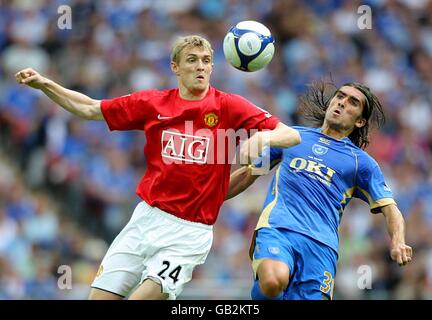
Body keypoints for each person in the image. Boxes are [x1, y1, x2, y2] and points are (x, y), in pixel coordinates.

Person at [14, 35, 301, 300]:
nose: (200, 66)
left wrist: (264, 136)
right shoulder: (153, 103)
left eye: (205, 61)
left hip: (189, 234)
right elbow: (90, 108)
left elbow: (291, 134)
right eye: (192, 60)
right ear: (175, 67)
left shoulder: (230, 107)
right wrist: (45, 84)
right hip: (145, 221)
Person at [226, 81, 413, 300]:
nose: (342, 103)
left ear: (360, 121)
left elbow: (391, 209)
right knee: (273, 280)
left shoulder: (361, 163)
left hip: (321, 248)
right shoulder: (292, 137)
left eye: (352, 102)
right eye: (340, 96)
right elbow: (250, 172)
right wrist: (210, 198)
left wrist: (398, 241)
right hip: (279, 227)